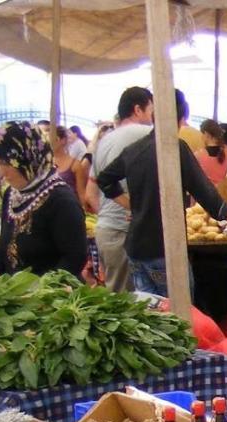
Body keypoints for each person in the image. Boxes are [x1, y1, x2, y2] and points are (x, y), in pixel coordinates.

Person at [96, 89, 227, 298]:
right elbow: (207, 195)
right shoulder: (175, 149)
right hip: (164, 248)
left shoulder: (134, 150)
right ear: (181, 116)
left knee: (151, 317)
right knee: (180, 315)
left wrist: (132, 206)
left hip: (136, 249)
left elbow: (104, 179)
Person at [0, 122, 87, 276]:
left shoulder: (61, 201)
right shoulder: (11, 194)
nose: (1, 172)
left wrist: (42, 291)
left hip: (51, 295)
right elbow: (3, 243)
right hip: (13, 293)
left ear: (28, 159)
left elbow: (74, 258)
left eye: (5, 164)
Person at [88, 86, 153, 293]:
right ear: (138, 109)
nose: (153, 117)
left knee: (116, 304)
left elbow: (93, 189)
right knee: (146, 304)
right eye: (151, 110)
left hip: (107, 231)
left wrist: (109, 215)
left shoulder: (103, 142)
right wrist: (132, 208)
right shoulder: (146, 135)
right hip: (132, 234)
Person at [194, 120, 227, 187]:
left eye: (202, 134)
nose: (201, 137)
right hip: (221, 194)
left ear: (206, 134)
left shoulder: (198, 155)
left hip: (204, 195)